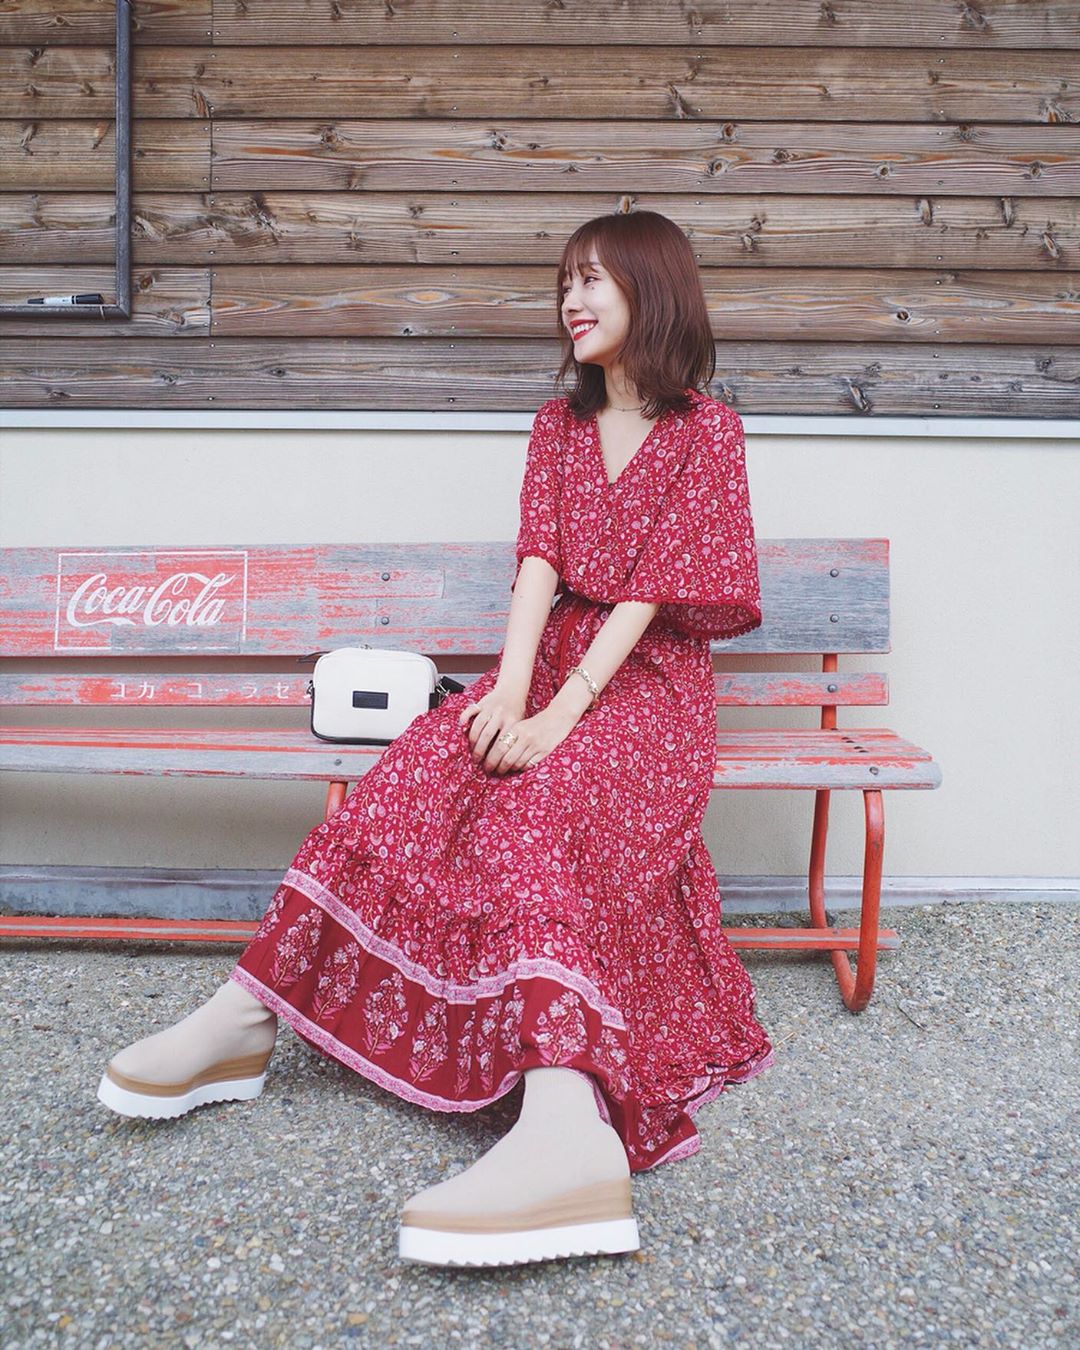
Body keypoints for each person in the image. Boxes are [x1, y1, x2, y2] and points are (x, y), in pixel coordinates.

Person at [97, 209, 775, 1269]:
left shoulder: (706, 433)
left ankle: (568, 1126)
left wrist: (558, 716)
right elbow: (539, 565)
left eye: (595, 279)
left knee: (540, 807)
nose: (573, 299)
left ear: (655, 290)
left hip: (648, 698)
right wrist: (506, 697)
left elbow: (651, 593)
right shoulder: (558, 425)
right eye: (566, 281)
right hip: (547, 668)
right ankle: (248, 1014)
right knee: (419, 768)